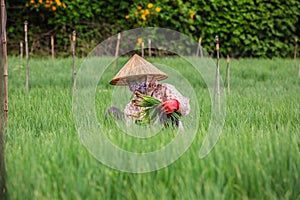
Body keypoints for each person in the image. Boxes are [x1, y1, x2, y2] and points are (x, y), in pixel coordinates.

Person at [106, 54, 190, 129]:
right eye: (131, 80)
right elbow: (130, 123)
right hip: (146, 134)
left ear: (149, 77)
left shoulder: (165, 89)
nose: (135, 83)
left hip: (166, 129)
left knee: (163, 110)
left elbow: (186, 108)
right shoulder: (134, 103)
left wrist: (176, 104)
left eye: (139, 78)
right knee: (112, 111)